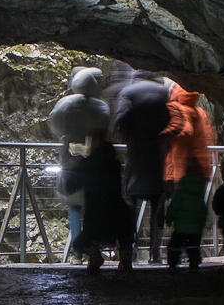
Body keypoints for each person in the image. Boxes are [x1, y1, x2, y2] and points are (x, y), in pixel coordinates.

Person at [46, 67, 109, 262]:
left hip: (71, 161)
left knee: (74, 207)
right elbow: (106, 130)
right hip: (95, 162)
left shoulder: (65, 104)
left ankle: (78, 253)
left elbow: (55, 124)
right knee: (94, 207)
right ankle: (94, 247)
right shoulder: (101, 106)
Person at [113, 70, 174, 267]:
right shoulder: (161, 92)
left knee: (131, 205)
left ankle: (129, 252)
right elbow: (169, 117)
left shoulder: (129, 92)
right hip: (156, 156)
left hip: (136, 154)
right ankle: (155, 254)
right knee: (157, 205)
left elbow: (121, 120)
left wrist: (130, 140)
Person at [76, 131, 134, 272]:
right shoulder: (115, 165)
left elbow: (73, 184)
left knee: (82, 241)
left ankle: (94, 255)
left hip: (95, 214)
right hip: (118, 212)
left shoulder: (86, 164)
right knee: (126, 229)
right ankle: (126, 256)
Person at [164, 81, 214, 193]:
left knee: (180, 203)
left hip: (181, 169)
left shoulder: (178, 110)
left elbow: (185, 131)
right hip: (200, 168)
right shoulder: (201, 113)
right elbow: (209, 136)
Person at [164, 169, 208, 267]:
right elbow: (203, 209)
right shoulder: (199, 193)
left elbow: (173, 207)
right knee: (193, 246)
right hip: (196, 227)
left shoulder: (180, 191)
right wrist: (202, 223)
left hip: (181, 226)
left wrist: (168, 219)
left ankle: (173, 264)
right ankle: (194, 265)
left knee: (174, 246)